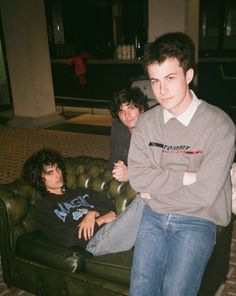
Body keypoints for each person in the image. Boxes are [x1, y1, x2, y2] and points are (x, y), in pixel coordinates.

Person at [128, 32, 236, 296]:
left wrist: (156, 189)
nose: (162, 90)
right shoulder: (147, 122)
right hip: (153, 217)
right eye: (155, 81)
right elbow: (138, 178)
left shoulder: (219, 125)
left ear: (188, 76)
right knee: (141, 289)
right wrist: (185, 177)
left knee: (177, 291)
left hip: (197, 220)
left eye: (170, 78)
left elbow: (207, 192)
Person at [22, 148, 145, 256]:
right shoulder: (45, 207)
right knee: (145, 198)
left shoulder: (79, 192)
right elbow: (69, 238)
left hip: (112, 228)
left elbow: (107, 203)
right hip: (95, 242)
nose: (57, 174)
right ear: (38, 179)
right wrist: (100, 220)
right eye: (50, 173)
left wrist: (92, 214)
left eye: (58, 168)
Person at [109, 87, 148, 182]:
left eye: (131, 108)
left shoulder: (153, 129)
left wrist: (131, 173)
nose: (127, 115)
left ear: (141, 109)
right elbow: (112, 160)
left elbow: (159, 169)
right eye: (121, 111)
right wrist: (118, 168)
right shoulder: (118, 128)